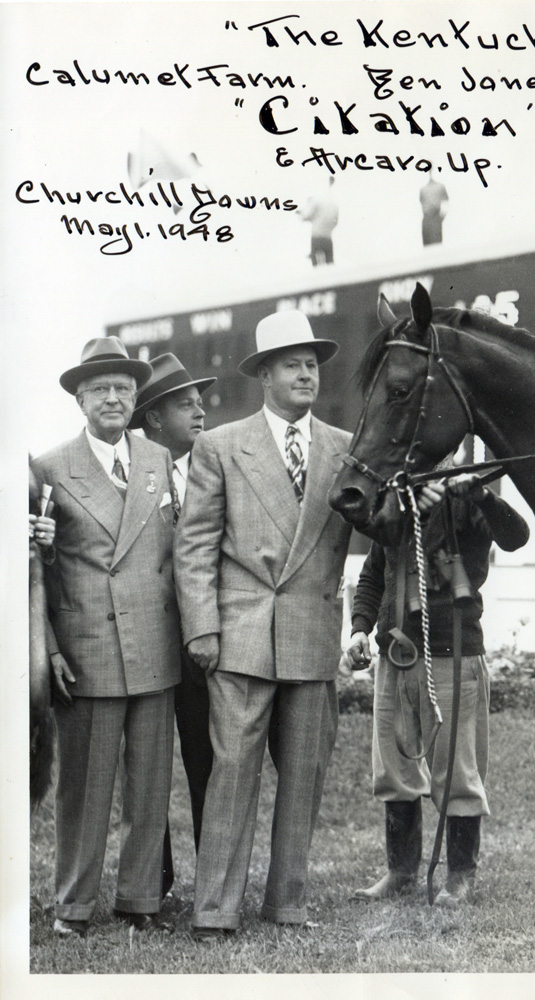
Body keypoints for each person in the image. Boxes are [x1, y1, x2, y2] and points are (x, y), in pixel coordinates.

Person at [175, 310, 353, 939]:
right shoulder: (220, 445)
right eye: (293, 364)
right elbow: (194, 546)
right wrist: (202, 627)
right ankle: (215, 910)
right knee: (233, 775)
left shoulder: (344, 446)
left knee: (304, 775)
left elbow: (373, 527)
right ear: (265, 376)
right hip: (241, 636)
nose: (307, 374)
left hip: (311, 632)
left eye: (312, 364)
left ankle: (288, 903)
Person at [33, 338, 181, 938]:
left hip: (155, 645)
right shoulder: (48, 468)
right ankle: (73, 905)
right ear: (80, 400)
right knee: (85, 789)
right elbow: (31, 576)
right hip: (87, 649)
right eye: (100, 389)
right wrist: (47, 648)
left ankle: (140, 901)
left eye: (123, 387)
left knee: (150, 786)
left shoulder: (158, 460)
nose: (114, 397)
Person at [346, 467, 529, 906]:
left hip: (454, 654)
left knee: (458, 772)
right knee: (393, 769)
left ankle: (460, 876)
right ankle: (400, 871)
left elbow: (516, 536)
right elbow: (374, 573)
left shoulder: (468, 500)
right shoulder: (395, 504)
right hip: (395, 655)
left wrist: (482, 495)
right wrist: (358, 630)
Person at [129, 353, 217, 897]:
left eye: (200, 400)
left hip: (202, 645)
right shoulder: (135, 473)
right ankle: (153, 882)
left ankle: (214, 881)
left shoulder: (214, 467)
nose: (200, 410)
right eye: (185, 403)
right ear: (154, 418)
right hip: (148, 644)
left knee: (208, 761)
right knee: (148, 768)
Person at [299, 176, 339, 266]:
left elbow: (305, 215)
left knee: (316, 263)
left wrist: (302, 214)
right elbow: (335, 221)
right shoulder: (334, 203)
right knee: (330, 262)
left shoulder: (316, 199)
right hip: (328, 237)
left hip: (317, 236)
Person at [420, 178, 449, 246]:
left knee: (436, 245)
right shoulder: (423, 189)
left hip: (435, 217)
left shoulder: (440, 186)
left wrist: (441, 216)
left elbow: (446, 201)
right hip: (426, 218)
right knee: (428, 245)